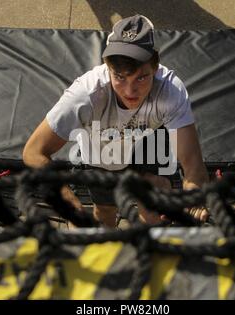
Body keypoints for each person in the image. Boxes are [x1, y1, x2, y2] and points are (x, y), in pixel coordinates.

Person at [23, 15, 209, 227]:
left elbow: (193, 165)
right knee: (105, 210)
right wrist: (71, 205)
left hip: (145, 142)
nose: (130, 91)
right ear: (107, 66)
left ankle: (146, 246)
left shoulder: (170, 91)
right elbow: (33, 151)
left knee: (155, 206)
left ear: (156, 68)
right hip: (102, 153)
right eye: (120, 77)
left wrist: (194, 198)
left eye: (141, 77)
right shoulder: (85, 95)